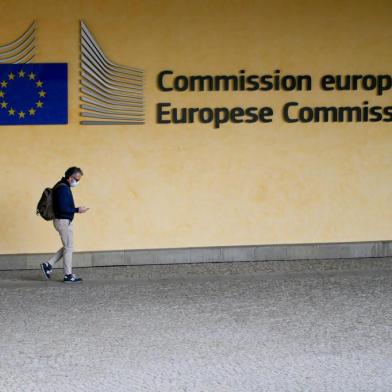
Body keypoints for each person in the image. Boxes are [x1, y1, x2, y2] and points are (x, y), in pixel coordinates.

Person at [40, 167, 89, 283]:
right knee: (68, 247)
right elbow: (63, 208)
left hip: (63, 220)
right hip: (62, 221)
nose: (77, 182)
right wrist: (78, 210)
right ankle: (68, 275)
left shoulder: (62, 186)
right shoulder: (63, 189)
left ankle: (48, 265)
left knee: (68, 246)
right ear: (70, 177)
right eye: (76, 179)